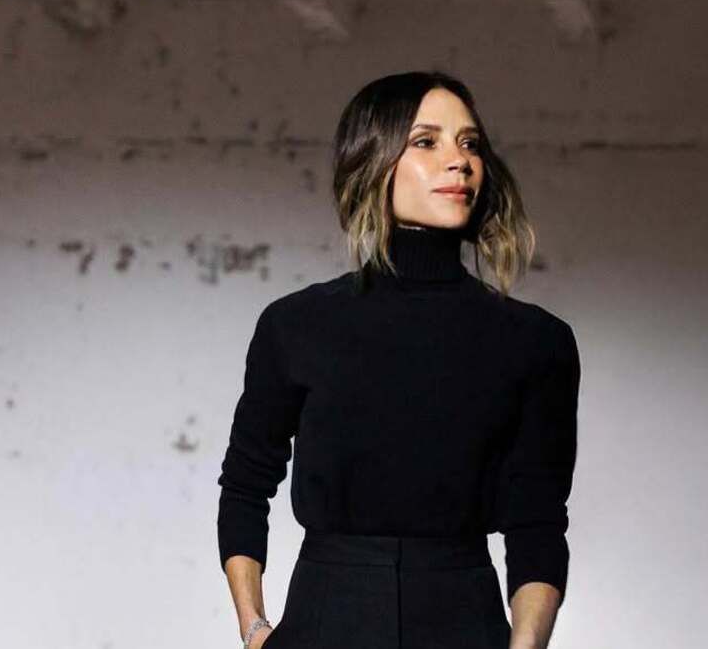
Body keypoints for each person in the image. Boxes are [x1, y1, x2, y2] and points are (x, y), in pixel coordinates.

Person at [217, 71, 581, 649]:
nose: (458, 161)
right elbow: (245, 484)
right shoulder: (297, 325)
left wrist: (525, 647)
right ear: (374, 161)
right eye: (426, 141)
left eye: (470, 143)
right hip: (325, 619)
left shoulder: (536, 342)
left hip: (466, 620)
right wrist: (255, 629)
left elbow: (538, 520)